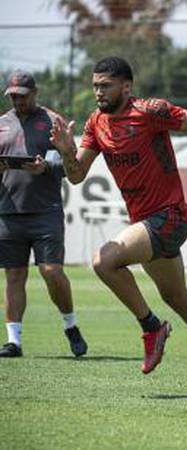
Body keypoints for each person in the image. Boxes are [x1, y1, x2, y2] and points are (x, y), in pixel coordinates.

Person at [50, 57, 187, 393]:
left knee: (104, 261)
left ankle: (151, 327)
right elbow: (77, 175)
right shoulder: (96, 123)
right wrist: (67, 152)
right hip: (148, 222)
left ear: (127, 86)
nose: (98, 91)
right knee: (177, 297)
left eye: (106, 85)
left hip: (169, 216)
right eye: (95, 85)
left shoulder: (149, 110)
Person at [0, 70, 87, 358]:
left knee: (51, 271)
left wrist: (47, 167)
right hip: (9, 211)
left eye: (22, 96)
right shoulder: (1, 124)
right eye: (12, 96)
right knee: (14, 275)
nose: (17, 101)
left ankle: (70, 325)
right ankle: (14, 341)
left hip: (45, 211)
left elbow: (74, 168)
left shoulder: (53, 122)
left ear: (35, 93)